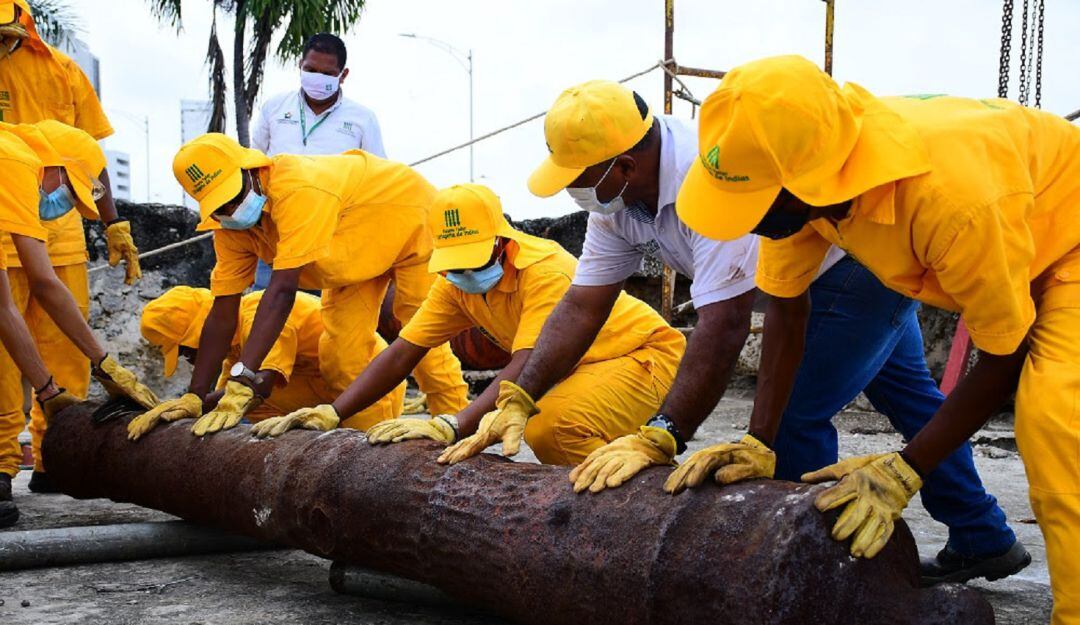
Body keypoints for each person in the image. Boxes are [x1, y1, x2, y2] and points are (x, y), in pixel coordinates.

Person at [520, 78, 1026, 585]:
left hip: (853, 268)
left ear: (623, 166)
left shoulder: (712, 171)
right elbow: (583, 305)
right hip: (813, 270)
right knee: (912, 399)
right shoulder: (618, 203)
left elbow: (724, 325)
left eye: (575, 178)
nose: (570, 191)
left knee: (792, 415)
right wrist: (520, 396)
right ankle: (983, 536)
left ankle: (813, 576)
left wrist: (664, 433)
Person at [675, 55, 1080, 623]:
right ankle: (982, 534)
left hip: (1066, 241)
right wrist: (758, 438)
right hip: (1001, 235)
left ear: (808, 183)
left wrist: (903, 471)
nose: (747, 223)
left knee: (1055, 421)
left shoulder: (950, 199)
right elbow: (788, 311)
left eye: (756, 205)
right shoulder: (802, 187)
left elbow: (1001, 357)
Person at [252, 184, 686, 469]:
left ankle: (647, 506)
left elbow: (527, 363)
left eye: (472, 260)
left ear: (501, 240)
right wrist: (334, 412)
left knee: (552, 427)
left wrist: (454, 424)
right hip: (573, 367)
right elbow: (404, 351)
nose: (462, 272)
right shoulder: (455, 283)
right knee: (551, 430)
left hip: (639, 354)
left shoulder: (545, 271)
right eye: (452, 263)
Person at [131, 133, 467, 438]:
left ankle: (455, 428)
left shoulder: (297, 189)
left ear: (250, 170)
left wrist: (243, 377)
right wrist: (195, 395)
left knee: (420, 332)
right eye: (220, 206)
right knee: (340, 357)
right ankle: (371, 450)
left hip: (410, 220)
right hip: (351, 259)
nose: (231, 210)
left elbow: (281, 292)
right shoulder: (230, 228)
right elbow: (223, 305)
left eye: (234, 196)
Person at [0, 0, 142, 494]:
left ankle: (56, 453)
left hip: (44, 228)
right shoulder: (12, 160)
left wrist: (112, 223)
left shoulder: (63, 73)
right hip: (14, 206)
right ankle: (0, 464)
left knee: (58, 343)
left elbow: (88, 156)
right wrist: (108, 362)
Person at [0, 125, 157, 526]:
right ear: (55, 166)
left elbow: (42, 285)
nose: (64, 206)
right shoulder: (15, 164)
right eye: (69, 193)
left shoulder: (17, 166)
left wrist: (99, 366)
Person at [133, 287, 405, 439]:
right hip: (319, 384)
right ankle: (294, 451)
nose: (186, 358)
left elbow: (262, 380)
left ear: (198, 332)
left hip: (367, 382)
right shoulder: (233, 344)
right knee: (246, 409)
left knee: (364, 453)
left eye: (183, 349)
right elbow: (227, 395)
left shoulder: (257, 314)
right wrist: (186, 406)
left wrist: (200, 401)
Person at [250, 32, 385, 291]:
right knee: (262, 308)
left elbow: (377, 176)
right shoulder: (275, 107)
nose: (317, 77)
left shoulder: (362, 119)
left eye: (326, 73)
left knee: (322, 319)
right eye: (310, 69)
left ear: (342, 75)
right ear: (300, 66)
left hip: (333, 239)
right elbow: (254, 161)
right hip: (277, 234)